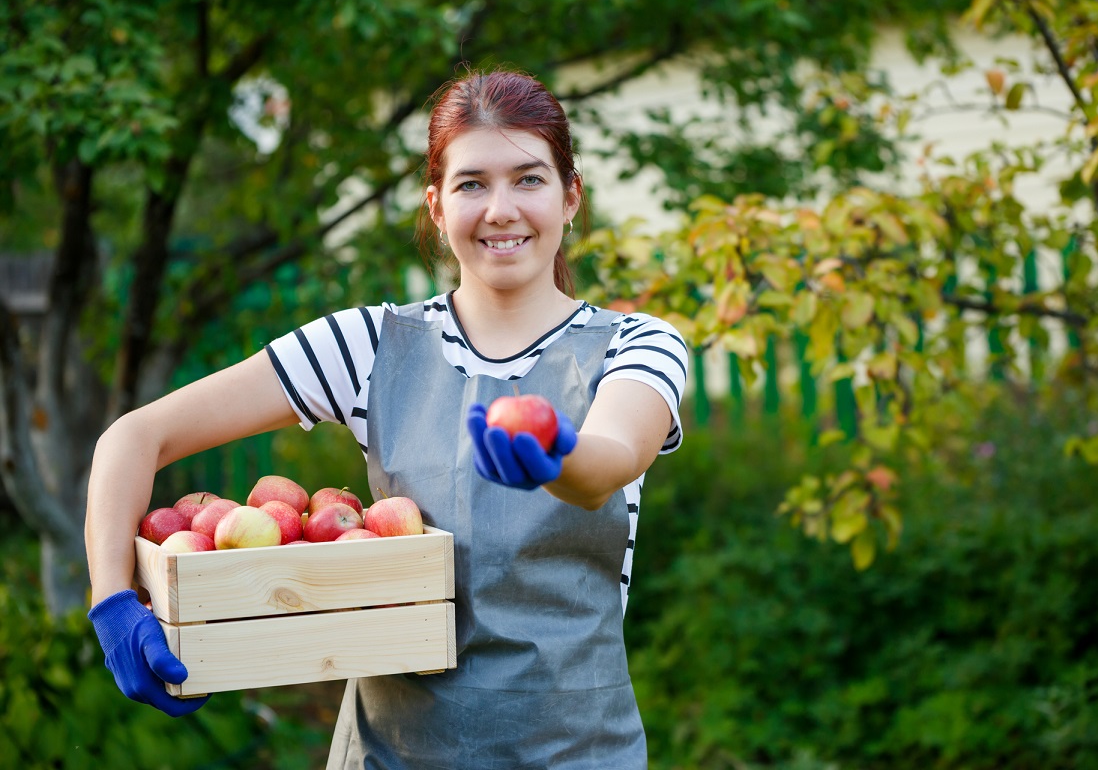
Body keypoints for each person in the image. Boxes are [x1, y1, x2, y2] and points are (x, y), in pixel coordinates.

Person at [84, 68, 689, 768]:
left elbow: (611, 459)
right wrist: (112, 603)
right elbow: (134, 436)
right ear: (436, 206)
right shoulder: (368, 346)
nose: (500, 209)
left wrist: (555, 450)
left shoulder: (636, 344)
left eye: (529, 179)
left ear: (570, 197)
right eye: (471, 184)